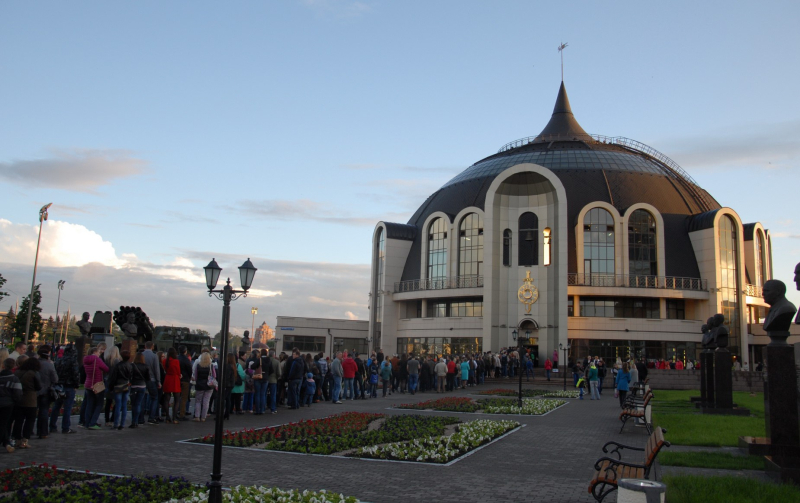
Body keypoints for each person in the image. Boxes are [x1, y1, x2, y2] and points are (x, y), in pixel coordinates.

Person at [50, 344, 80, 434]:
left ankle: (52, 426)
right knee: (67, 407)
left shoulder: (59, 360)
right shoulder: (73, 361)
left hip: (59, 386)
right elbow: (76, 374)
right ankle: (65, 427)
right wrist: (76, 385)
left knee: (56, 407)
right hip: (69, 386)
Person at [13, 357, 41, 448]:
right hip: (30, 399)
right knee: (29, 420)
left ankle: (17, 439)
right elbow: (39, 386)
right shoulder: (33, 374)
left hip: (18, 399)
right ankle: (25, 440)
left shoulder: (17, 372)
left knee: (18, 420)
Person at [35, 345, 58, 439]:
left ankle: (30, 431)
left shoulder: (34, 364)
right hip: (46, 391)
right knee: (44, 411)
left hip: (34, 391)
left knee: (32, 412)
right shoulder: (49, 365)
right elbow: (55, 379)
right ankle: (43, 432)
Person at [81, 347, 108, 430]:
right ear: (95, 352)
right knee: (99, 404)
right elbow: (106, 369)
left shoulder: (85, 360)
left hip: (88, 384)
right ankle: (93, 423)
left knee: (89, 404)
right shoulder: (97, 359)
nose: (99, 354)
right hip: (97, 384)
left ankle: (87, 422)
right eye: (98, 352)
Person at [107, 349, 134, 430]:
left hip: (118, 385)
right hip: (126, 385)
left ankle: (116, 424)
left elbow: (113, 377)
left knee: (118, 405)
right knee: (124, 405)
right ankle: (122, 424)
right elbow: (131, 377)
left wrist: (111, 387)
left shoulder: (118, 365)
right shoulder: (130, 365)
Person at [0, 358, 22, 452]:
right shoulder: (14, 378)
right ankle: (6, 442)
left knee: (2, 424)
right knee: (4, 423)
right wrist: (16, 401)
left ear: (3, 366)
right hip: (8, 404)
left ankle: (6, 442)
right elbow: (18, 393)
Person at [141, 342, 161, 425]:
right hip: (151, 379)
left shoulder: (140, 354)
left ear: (145, 346)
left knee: (141, 399)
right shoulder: (154, 356)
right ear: (152, 347)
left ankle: (140, 418)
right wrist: (158, 381)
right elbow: (156, 369)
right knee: (154, 398)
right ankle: (151, 417)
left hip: (141, 380)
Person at [129, 353, 150, 428]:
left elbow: (129, 376)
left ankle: (133, 421)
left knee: (134, 404)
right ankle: (136, 421)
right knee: (138, 404)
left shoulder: (132, 366)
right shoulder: (146, 366)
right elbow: (148, 378)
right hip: (142, 385)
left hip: (134, 385)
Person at [193, 352, 215, 421]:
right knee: (206, 401)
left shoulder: (198, 365)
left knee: (198, 401)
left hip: (200, 384)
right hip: (209, 385)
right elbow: (214, 376)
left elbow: (195, 376)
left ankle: (197, 416)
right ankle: (203, 417)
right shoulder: (211, 366)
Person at [162, 348, 182, 424]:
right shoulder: (176, 361)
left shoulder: (165, 361)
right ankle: (174, 417)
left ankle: (167, 417)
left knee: (166, 399)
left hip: (167, 379)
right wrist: (180, 375)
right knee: (177, 400)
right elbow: (178, 371)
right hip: (175, 380)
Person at [177, 346, 193, 421]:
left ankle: (175, 412)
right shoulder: (186, 359)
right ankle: (182, 414)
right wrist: (190, 377)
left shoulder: (177, 358)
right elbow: (190, 369)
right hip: (185, 379)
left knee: (176, 396)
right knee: (184, 398)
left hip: (178, 379)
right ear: (185, 351)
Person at [265, 349, 281, 414]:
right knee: (273, 395)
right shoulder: (277, 362)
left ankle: (263, 407)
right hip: (274, 380)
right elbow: (279, 373)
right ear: (274, 355)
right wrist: (277, 377)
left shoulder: (265, 361)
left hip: (266, 379)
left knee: (264, 394)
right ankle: (273, 409)